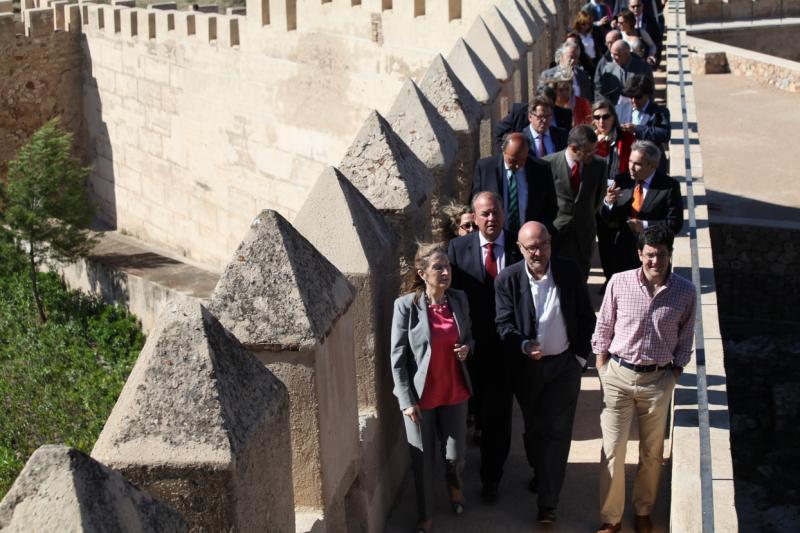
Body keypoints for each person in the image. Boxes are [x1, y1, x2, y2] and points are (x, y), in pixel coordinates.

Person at [592, 225, 696, 533]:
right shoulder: (619, 283)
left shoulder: (685, 292)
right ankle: (611, 519)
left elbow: (686, 339)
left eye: (662, 255)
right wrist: (602, 367)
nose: (656, 262)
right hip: (618, 377)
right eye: (650, 255)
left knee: (652, 454)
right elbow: (604, 326)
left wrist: (673, 375)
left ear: (669, 255)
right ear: (640, 254)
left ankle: (642, 510)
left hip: (658, 380)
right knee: (613, 450)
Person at [495, 221, 595, 524]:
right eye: (532, 247)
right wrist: (524, 345)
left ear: (550, 243)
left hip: (564, 367)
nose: (539, 252)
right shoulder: (507, 279)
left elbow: (585, 316)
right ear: (520, 249)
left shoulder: (568, 271)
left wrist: (579, 359)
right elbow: (503, 325)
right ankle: (541, 471)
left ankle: (547, 505)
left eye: (544, 244)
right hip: (529, 370)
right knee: (535, 430)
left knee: (558, 433)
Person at [389, 243, 475, 533]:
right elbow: (397, 357)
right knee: (422, 460)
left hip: (454, 390)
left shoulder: (459, 300)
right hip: (420, 398)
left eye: (447, 266)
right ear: (422, 273)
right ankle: (425, 514)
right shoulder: (406, 306)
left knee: (455, 454)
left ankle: (453, 483)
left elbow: (470, 338)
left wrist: (467, 348)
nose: (445, 272)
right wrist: (405, 399)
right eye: (438, 267)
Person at [447, 192, 523, 504]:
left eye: (495, 213)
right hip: (469, 348)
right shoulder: (458, 248)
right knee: (472, 412)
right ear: (474, 219)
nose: (491, 219)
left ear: (503, 213)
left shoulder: (520, 246)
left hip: (505, 349)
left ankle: (492, 478)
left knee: (498, 417)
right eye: (484, 215)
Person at [601, 140, 682, 276]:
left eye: (637, 164)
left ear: (653, 165)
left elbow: (675, 224)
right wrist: (608, 202)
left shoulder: (669, 186)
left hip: (653, 258)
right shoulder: (622, 180)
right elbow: (610, 220)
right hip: (623, 253)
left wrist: (644, 225)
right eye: (630, 161)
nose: (631, 167)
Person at [543, 125, 607, 279]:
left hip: (583, 235)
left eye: (595, 150)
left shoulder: (599, 165)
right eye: (589, 151)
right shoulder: (547, 164)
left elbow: (598, 199)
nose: (594, 154)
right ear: (573, 148)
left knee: (580, 281)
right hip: (556, 234)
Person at [471, 133, 558, 236]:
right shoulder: (485, 168)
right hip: (495, 237)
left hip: (530, 238)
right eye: (513, 160)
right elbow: (475, 204)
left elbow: (551, 207)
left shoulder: (541, 169)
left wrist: (538, 230)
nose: (517, 165)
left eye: (522, 160)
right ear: (503, 150)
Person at [591, 98, 635, 283]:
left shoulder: (626, 137)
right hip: (601, 198)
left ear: (613, 117)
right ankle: (610, 279)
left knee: (624, 241)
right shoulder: (591, 140)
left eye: (605, 117)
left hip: (624, 194)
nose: (602, 122)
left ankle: (622, 278)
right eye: (597, 117)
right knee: (605, 241)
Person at [620, 74, 670, 171]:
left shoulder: (659, 111)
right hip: (627, 164)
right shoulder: (621, 109)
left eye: (638, 97)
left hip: (651, 166)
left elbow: (665, 134)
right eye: (631, 96)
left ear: (647, 94)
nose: (633, 100)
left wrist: (637, 128)